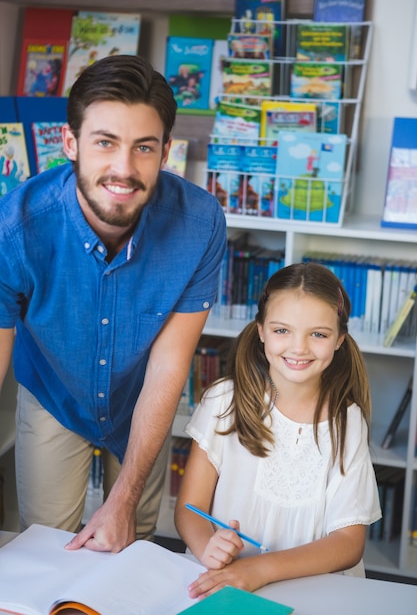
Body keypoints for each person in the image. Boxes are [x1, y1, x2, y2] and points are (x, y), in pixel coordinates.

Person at [0, 54, 226, 553]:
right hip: (53, 393)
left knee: (133, 545)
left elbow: (169, 368)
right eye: (105, 143)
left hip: (142, 398)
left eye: (143, 147)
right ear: (70, 143)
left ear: (166, 151)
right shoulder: (12, 229)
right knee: (47, 547)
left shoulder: (200, 223)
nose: (123, 169)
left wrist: (122, 501)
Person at [175, 262, 382, 598]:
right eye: (282, 330)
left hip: (313, 590)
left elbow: (348, 543)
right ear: (260, 331)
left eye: (318, 334)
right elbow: (190, 509)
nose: (298, 348)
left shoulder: (348, 422)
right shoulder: (224, 400)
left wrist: (258, 570)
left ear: (339, 340)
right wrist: (207, 546)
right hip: (224, 581)